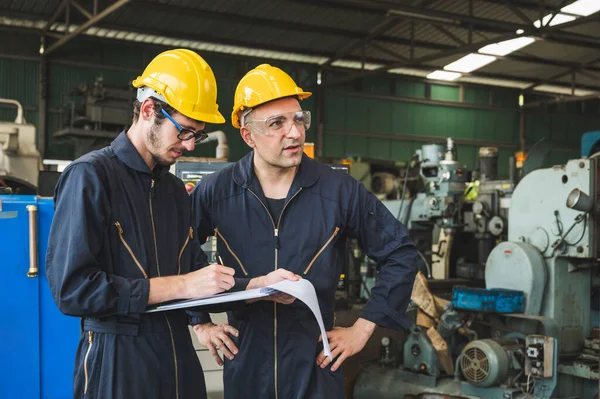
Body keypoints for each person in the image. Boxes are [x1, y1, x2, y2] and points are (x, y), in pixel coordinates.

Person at [45, 49, 285, 399]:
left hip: (177, 358)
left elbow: (197, 276)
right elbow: (74, 290)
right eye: (184, 131)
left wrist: (259, 286)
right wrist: (181, 285)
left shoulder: (173, 190)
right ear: (148, 110)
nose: (188, 145)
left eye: (197, 135)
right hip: (118, 358)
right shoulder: (91, 177)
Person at [190, 64, 418, 398]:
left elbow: (400, 253)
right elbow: (175, 250)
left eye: (298, 119)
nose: (295, 133)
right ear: (247, 134)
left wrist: (363, 328)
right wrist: (200, 322)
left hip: (317, 363)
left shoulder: (339, 191)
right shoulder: (216, 192)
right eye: (276, 124)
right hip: (245, 363)